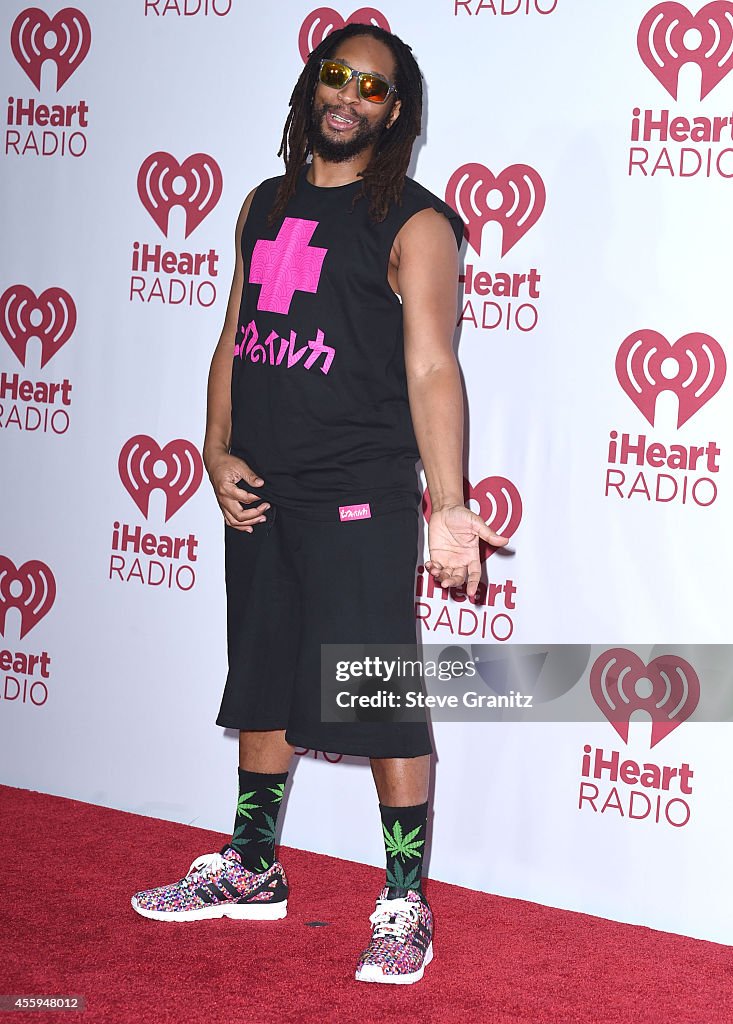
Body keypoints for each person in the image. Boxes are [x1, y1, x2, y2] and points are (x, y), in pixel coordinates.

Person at [131, 23, 508, 985]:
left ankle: (403, 899)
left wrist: (448, 504)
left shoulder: (417, 223)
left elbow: (431, 366)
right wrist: (214, 450)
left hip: (357, 495)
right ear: (311, 88)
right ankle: (254, 868)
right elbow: (234, 338)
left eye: (374, 89)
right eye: (336, 76)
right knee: (260, 678)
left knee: (377, 696)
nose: (350, 97)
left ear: (396, 114)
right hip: (261, 489)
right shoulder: (264, 203)